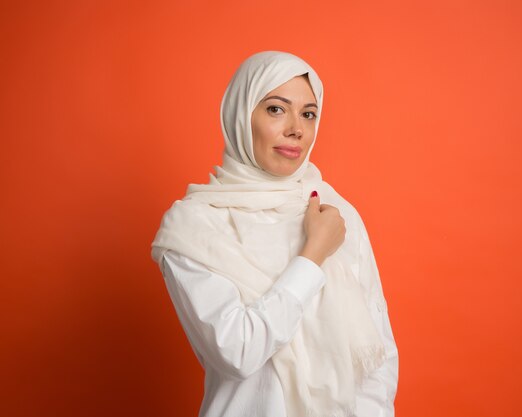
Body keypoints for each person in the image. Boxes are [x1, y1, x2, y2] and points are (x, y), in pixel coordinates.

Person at [151, 51, 398, 417]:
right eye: (276, 109)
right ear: (240, 113)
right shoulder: (194, 227)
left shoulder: (334, 212)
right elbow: (239, 351)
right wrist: (313, 256)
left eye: (309, 114)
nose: (296, 128)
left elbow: (377, 359)